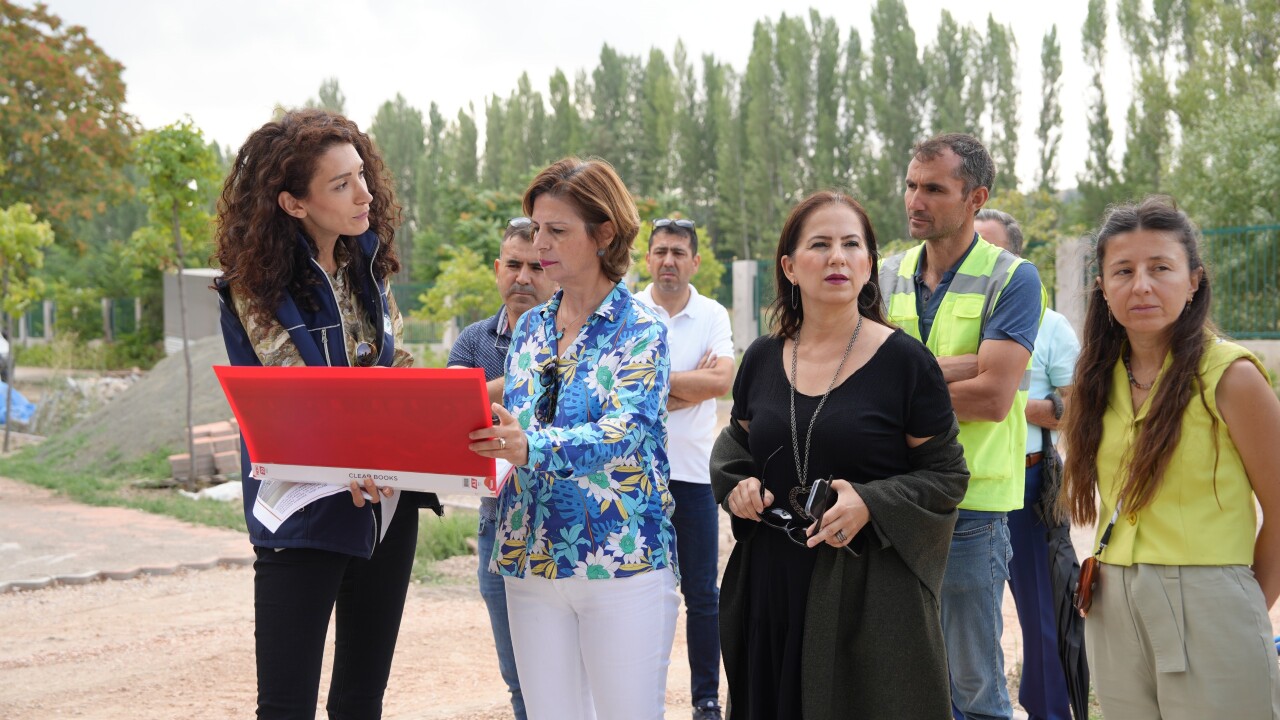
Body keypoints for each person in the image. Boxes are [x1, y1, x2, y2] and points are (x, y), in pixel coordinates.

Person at [213, 108, 436, 719]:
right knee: (286, 708)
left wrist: (446, 418)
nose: (364, 193)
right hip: (303, 509)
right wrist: (361, 454)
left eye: (361, 174)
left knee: (362, 702)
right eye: (341, 184)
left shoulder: (368, 267)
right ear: (293, 203)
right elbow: (295, 390)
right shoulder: (254, 286)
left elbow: (395, 369)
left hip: (384, 504)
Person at [713, 191, 970, 719]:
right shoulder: (761, 357)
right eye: (820, 244)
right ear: (789, 267)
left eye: (852, 245)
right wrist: (737, 483)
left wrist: (872, 502)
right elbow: (736, 442)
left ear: (869, 265)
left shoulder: (906, 363)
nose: (838, 257)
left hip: (866, 596)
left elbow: (947, 475)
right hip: (772, 584)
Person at [467, 157, 679, 720]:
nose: (540, 244)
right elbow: (512, 424)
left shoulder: (643, 327)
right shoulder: (530, 329)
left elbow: (624, 431)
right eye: (537, 228)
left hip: (619, 556)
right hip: (528, 555)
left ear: (604, 234)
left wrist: (528, 447)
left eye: (557, 230)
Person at [1061, 196, 1280, 718]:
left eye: (1161, 268)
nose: (1141, 285)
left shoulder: (1231, 377)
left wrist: (1246, 605)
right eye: (1123, 271)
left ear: (1194, 280)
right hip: (1112, 602)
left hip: (1212, 601)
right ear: (1102, 287)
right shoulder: (1096, 380)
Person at [880, 133, 1043, 720]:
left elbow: (994, 397)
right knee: (901, 677)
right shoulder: (885, 274)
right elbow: (855, 374)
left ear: (976, 198)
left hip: (970, 506)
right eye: (910, 185)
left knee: (973, 686)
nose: (914, 200)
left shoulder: (1014, 278)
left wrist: (897, 387)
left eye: (933, 189)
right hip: (891, 499)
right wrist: (966, 362)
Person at [446, 216, 556, 720]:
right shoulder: (473, 342)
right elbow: (449, 415)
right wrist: (523, 378)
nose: (523, 278)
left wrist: (483, 396)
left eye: (536, 266)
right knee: (517, 676)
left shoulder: (574, 335)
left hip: (563, 521)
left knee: (567, 669)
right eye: (513, 265)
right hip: (497, 521)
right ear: (497, 269)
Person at [974, 209, 1079, 720]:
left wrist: (1003, 401)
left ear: (1016, 261)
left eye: (991, 251)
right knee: (965, 614)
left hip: (1028, 480)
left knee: (1042, 611)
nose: (978, 261)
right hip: (959, 484)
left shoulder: (1050, 325)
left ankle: (1048, 712)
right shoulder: (944, 319)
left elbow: (1075, 408)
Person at [634, 218, 734, 720]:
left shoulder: (712, 313)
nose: (668, 261)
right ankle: (638, 698)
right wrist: (688, 384)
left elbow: (721, 381)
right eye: (660, 252)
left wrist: (649, 388)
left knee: (702, 595)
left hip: (694, 476)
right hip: (632, 477)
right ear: (647, 259)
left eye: (678, 253)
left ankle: (705, 700)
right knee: (637, 593)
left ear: (695, 262)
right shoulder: (628, 310)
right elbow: (620, 387)